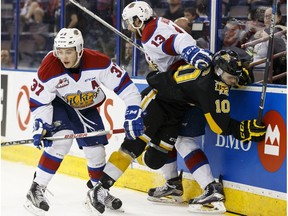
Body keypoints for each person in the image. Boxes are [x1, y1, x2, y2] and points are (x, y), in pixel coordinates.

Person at [87, 1, 266, 214]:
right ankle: (194, 186)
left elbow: (179, 41)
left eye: (129, 23)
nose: (129, 28)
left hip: (168, 93)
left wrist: (191, 52)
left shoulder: (150, 31)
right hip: (182, 95)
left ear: (138, 20)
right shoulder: (160, 28)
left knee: (138, 141)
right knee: (182, 140)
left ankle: (101, 186)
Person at [24, 27, 144, 215]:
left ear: (79, 50)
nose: (64, 57)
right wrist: (42, 124)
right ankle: (36, 188)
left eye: (69, 52)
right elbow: (39, 102)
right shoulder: (49, 67)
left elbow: (126, 87)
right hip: (58, 104)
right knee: (61, 141)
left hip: (86, 104)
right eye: (60, 51)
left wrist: (133, 111)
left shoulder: (99, 62)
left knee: (96, 149)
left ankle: (98, 191)